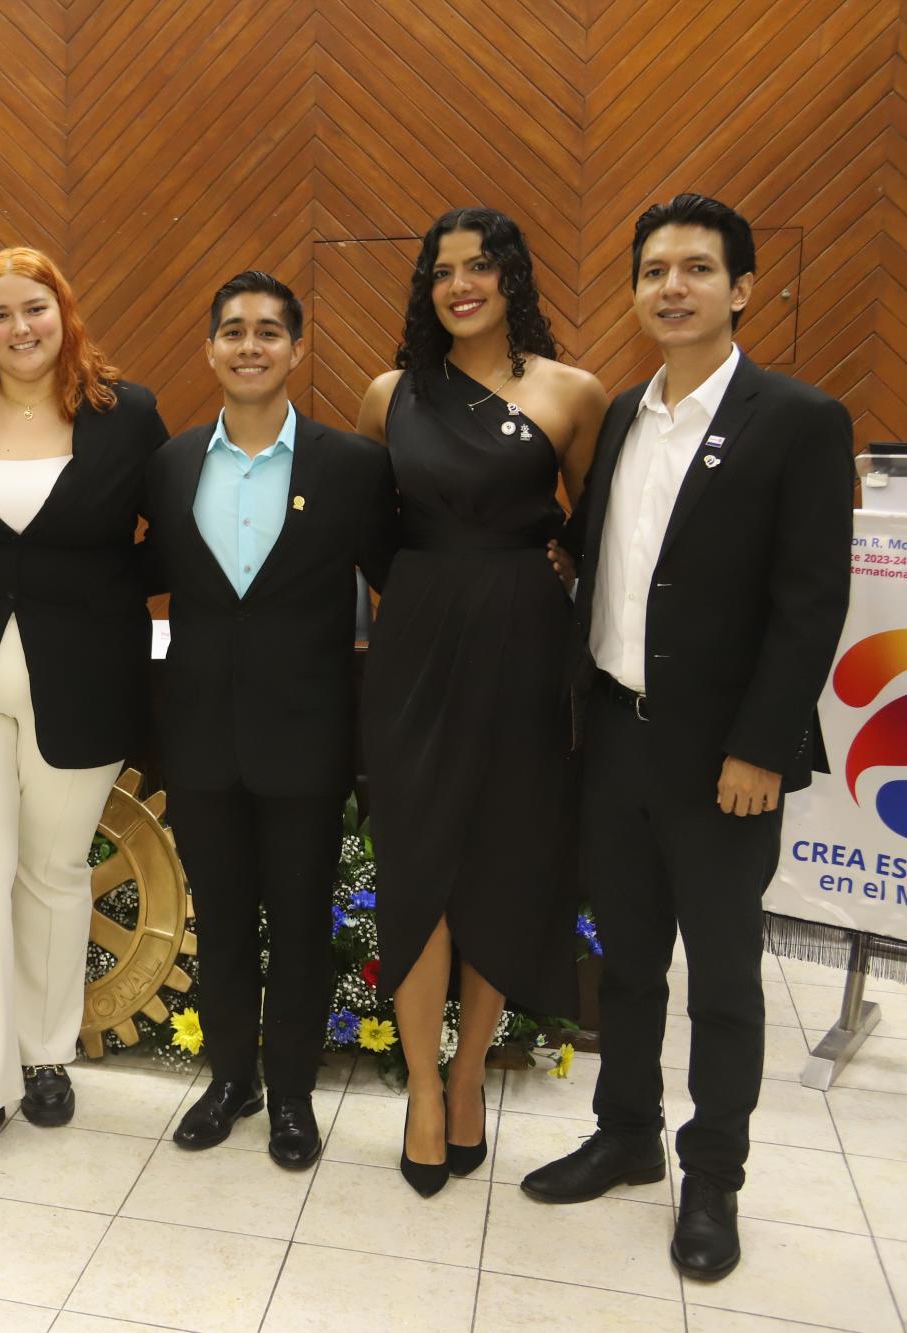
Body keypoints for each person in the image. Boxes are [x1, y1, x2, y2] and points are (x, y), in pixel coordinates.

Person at [521, 194, 853, 1282]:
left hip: (723, 759)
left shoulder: (795, 418)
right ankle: (624, 1134)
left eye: (696, 269)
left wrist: (761, 745)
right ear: (632, 290)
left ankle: (711, 1172)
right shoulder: (621, 413)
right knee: (621, 963)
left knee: (718, 976)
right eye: (653, 269)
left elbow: (809, 602)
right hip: (613, 733)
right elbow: (598, 552)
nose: (671, 286)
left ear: (740, 287)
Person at [0, 246, 168, 1180]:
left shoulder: (124, 414)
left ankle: (46, 1051)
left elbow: (163, 534)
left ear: (65, 313)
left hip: (83, 676)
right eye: (0, 313)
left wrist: (94, 595)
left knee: (53, 873)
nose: (20, 328)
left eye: (36, 309)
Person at [355, 207, 608, 1198]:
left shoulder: (572, 392)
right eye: (441, 270)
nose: (460, 283)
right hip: (416, 642)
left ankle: (469, 1082)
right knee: (418, 867)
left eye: (480, 266)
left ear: (512, 279)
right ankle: (421, 1090)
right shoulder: (388, 396)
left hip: (521, 646)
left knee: (499, 865)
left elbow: (594, 530)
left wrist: (545, 566)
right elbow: (373, 530)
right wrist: (430, 591)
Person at [145, 272, 396, 1169]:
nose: (249, 345)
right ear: (210, 348)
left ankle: (291, 1095)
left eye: (268, 331)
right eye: (233, 331)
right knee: (218, 918)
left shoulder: (352, 466)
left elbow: (401, 585)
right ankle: (229, 1081)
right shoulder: (171, 463)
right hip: (202, 732)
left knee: (297, 924)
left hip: (308, 735)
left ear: (296, 348)